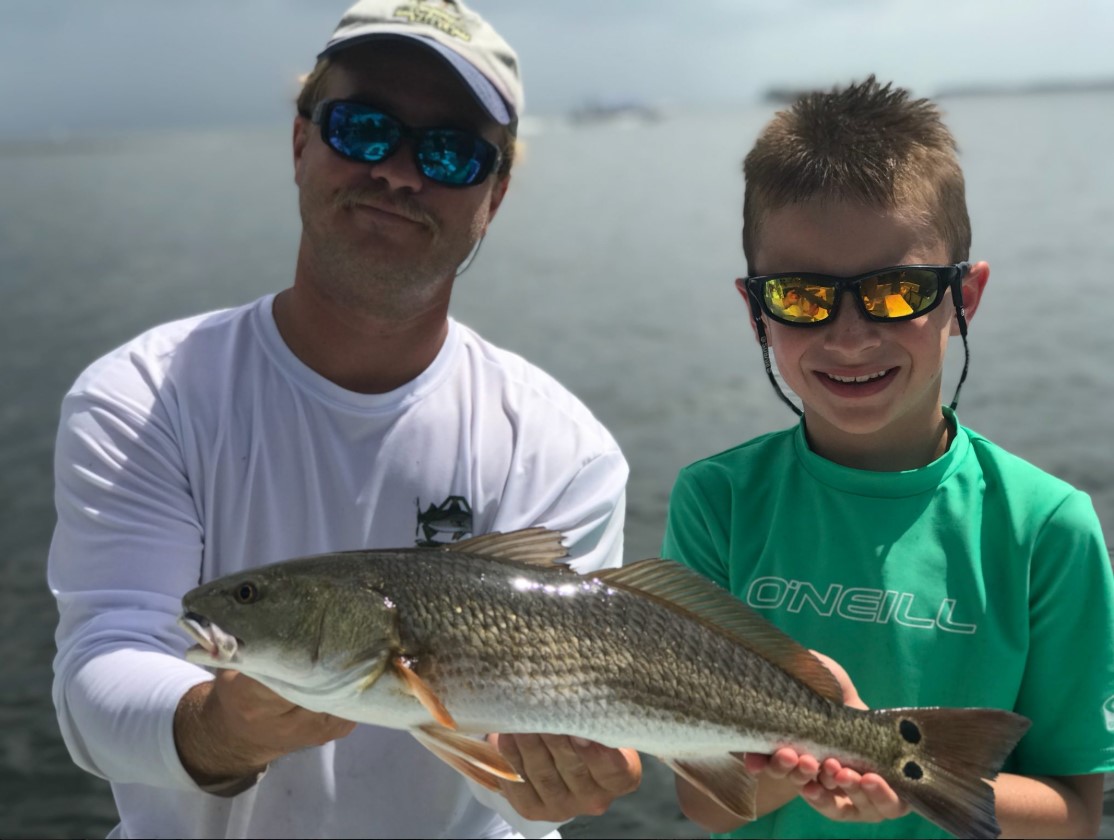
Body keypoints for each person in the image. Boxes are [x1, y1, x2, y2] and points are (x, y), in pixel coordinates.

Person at [47, 2, 642, 837]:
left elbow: (526, 778)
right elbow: (100, 674)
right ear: (300, 143)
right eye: (363, 129)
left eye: (451, 152)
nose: (399, 173)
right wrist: (223, 725)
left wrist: (548, 780)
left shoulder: (563, 447)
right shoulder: (144, 396)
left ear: (495, 195)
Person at [662, 76, 1114, 838]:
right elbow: (702, 801)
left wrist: (915, 779)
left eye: (899, 291)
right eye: (802, 297)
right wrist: (803, 762)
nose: (849, 334)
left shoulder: (1047, 527)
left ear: (964, 298)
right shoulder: (717, 501)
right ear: (754, 309)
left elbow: (1074, 809)